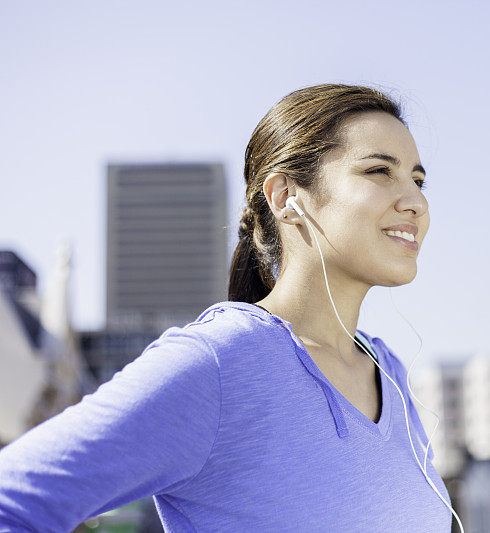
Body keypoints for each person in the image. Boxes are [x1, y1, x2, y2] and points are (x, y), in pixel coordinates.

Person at [0, 84, 459, 532]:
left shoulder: (390, 372)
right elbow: (12, 501)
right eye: (379, 171)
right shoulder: (223, 361)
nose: (416, 201)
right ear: (285, 197)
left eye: (418, 180)